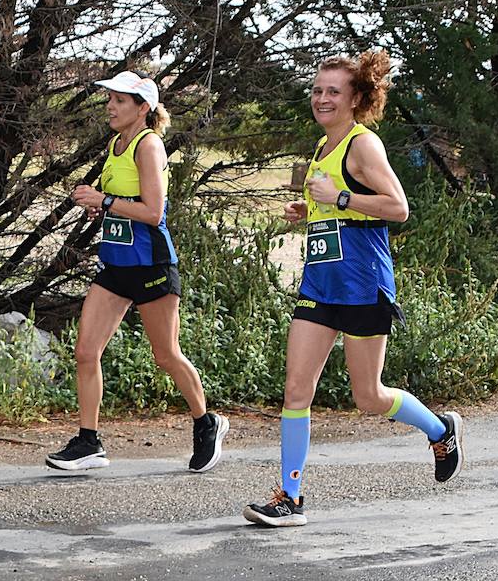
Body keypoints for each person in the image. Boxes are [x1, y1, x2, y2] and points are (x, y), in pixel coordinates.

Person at [242, 50, 463, 527]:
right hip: (320, 285)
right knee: (296, 388)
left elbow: (397, 207)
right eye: (318, 90)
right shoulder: (321, 150)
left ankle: (440, 428)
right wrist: (312, 212)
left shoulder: (364, 145)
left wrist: (338, 197)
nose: (322, 98)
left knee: (369, 396)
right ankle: (290, 497)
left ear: (357, 98)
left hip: (364, 285)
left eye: (333, 91)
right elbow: (340, 213)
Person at [46, 70, 228, 473]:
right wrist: (99, 206)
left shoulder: (149, 146)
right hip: (116, 263)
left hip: (151, 265)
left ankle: (206, 422)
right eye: (109, 98)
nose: (110, 106)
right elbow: (121, 203)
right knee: (85, 352)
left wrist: (105, 200)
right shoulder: (115, 143)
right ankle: (89, 441)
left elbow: (153, 211)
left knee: (166, 354)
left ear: (143, 108)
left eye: (120, 100)